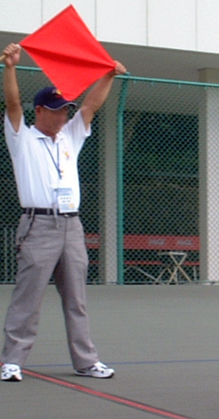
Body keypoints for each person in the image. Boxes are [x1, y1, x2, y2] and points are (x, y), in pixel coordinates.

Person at [1, 43, 126, 382]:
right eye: (56, 110)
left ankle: (86, 361)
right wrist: (10, 68)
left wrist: (108, 74)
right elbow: (13, 104)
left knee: (77, 299)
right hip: (37, 224)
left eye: (65, 110)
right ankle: (11, 361)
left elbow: (90, 106)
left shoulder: (69, 137)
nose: (63, 116)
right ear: (39, 110)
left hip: (71, 225)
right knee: (28, 297)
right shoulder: (22, 138)